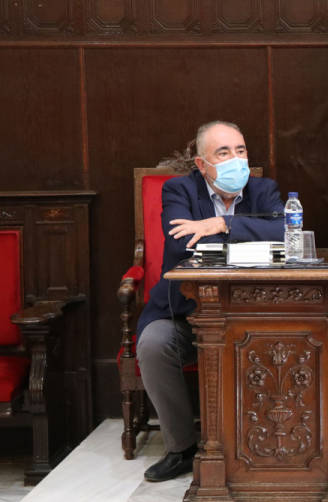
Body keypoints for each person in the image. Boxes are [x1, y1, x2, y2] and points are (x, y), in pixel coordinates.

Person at [136, 121, 284, 482]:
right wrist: (253, 238)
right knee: (154, 345)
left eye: (241, 150)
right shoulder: (179, 190)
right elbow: (179, 244)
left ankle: (262, 444)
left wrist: (222, 225)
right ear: (202, 164)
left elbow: (285, 231)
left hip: (252, 314)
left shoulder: (264, 189)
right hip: (186, 314)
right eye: (224, 153)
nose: (236, 160)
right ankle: (182, 448)